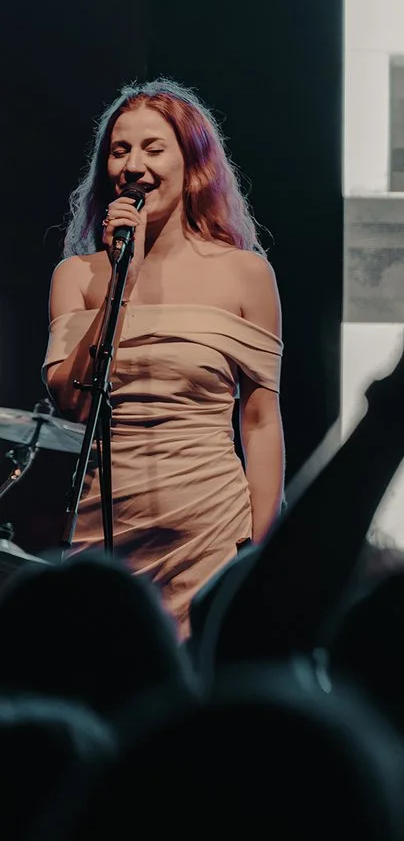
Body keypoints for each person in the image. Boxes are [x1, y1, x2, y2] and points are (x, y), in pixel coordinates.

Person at [43, 81, 281, 634]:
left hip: (209, 532)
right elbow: (72, 405)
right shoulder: (77, 277)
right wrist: (122, 279)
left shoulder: (244, 274)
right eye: (120, 150)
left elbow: (262, 421)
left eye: (154, 148)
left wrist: (259, 551)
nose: (133, 166)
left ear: (192, 163)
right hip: (103, 533)